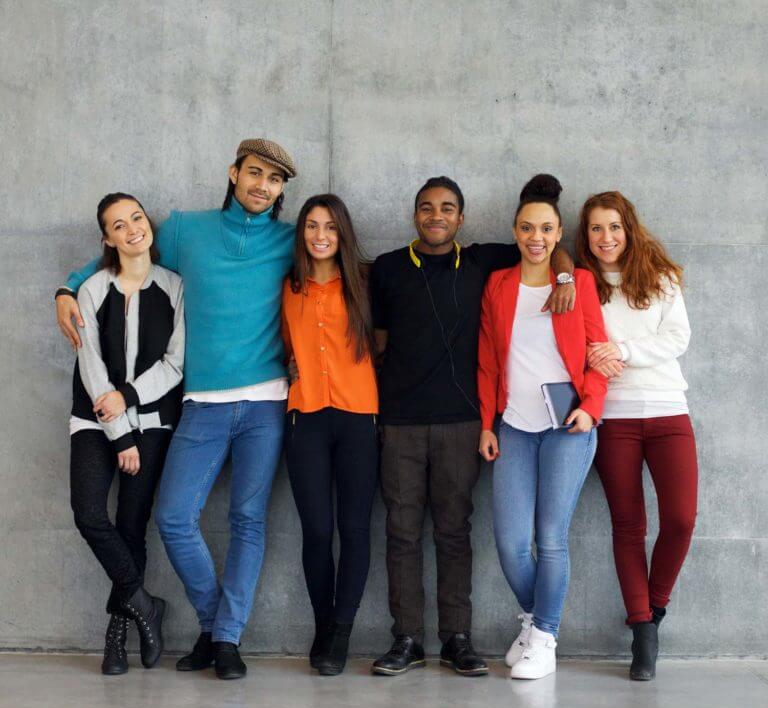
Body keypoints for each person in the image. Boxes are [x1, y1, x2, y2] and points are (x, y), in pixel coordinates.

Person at [56, 139, 296, 680]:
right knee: (173, 518)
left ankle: (225, 638)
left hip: (266, 403)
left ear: (282, 190)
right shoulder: (187, 229)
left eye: (275, 180)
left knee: (247, 521)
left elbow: (342, 261)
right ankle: (212, 623)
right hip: (201, 403)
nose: (263, 185)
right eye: (254, 173)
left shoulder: (289, 240)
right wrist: (67, 288)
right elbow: (127, 246)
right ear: (234, 173)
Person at [369, 176, 576, 676]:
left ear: (461, 218)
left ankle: (457, 639)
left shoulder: (484, 261)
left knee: (454, 532)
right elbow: (377, 344)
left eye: (446, 208)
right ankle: (407, 638)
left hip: (465, 423)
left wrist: (566, 280)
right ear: (414, 215)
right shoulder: (389, 268)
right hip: (400, 423)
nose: (435, 215)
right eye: (426, 207)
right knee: (400, 532)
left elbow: (550, 248)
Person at [478, 174, 607, 680]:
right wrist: (487, 423)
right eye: (528, 227)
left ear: (558, 234)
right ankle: (536, 624)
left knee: (550, 537)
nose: (536, 236)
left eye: (546, 228)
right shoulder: (499, 285)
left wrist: (591, 407)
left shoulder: (578, 283)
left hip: (568, 428)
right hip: (513, 427)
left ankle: (545, 638)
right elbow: (487, 360)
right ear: (515, 230)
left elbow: (597, 355)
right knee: (511, 542)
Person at [576, 191, 697, 681]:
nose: (606, 238)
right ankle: (642, 627)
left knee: (682, 519)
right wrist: (594, 354)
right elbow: (580, 344)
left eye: (614, 227)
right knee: (629, 526)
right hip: (616, 418)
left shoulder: (662, 278)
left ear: (629, 228)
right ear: (585, 237)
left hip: (669, 412)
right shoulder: (582, 285)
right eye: (596, 229)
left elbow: (677, 339)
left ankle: (657, 603)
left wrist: (618, 349)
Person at [69, 193, 184, 674]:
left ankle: (115, 640)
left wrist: (131, 399)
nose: (132, 228)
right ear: (107, 238)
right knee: (91, 514)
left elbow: (175, 363)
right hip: (94, 421)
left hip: (153, 422)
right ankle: (143, 604)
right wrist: (118, 434)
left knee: (132, 527)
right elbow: (90, 363)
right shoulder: (91, 289)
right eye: (119, 224)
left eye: (136, 217)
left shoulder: (175, 287)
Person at [282, 194, 378, 676]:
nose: (321, 235)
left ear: (343, 234)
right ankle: (323, 624)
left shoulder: (365, 282)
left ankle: (342, 632)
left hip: (360, 418)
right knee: (317, 530)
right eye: (312, 226)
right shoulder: (287, 286)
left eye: (331, 227)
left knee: (355, 529)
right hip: (306, 418)